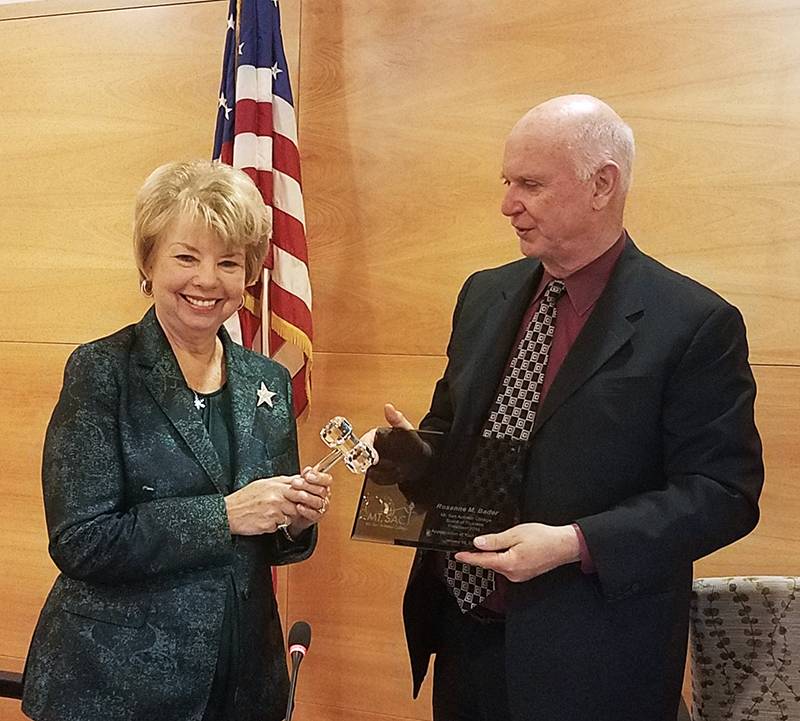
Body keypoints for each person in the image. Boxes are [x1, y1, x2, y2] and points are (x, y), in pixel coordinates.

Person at [382, 95, 764, 721]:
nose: (508, 204)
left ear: (602, 185)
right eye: (507, 182)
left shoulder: (694, 324)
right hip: (465, 637)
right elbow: (456, 429)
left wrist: (574, 542)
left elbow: (723, 494)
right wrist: (418, 456)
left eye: (530, 184)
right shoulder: (484, 293)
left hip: (596, 660)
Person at [21, 160, 331, 721]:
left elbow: (272, 541)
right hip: (116, 686)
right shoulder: (101, 371)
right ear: (148, 262)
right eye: (186, 257)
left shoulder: (269, 380)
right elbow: (81, 540)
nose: (207, 280)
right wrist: (225, 515)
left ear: (250, 273)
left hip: (242, 685)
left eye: (229, 262)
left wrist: (296, 519)